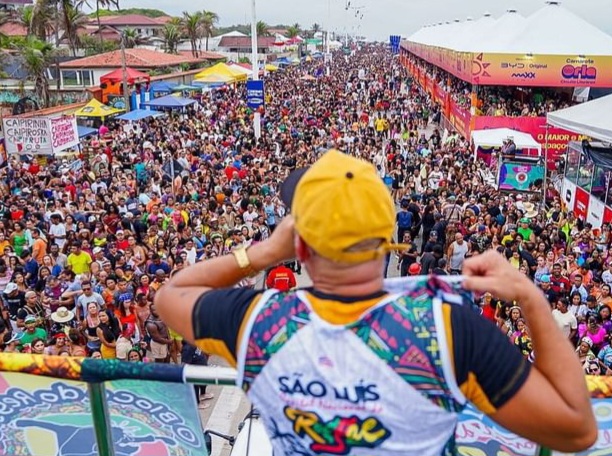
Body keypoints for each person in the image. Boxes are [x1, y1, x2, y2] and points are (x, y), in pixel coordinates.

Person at [157, 150, 596, 454]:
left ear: (301, 247)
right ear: (389, 240)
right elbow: (576, 429)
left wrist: (263, 253)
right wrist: (531, 299)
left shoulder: (259, 322)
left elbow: (171, 296)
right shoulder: (447, 331)